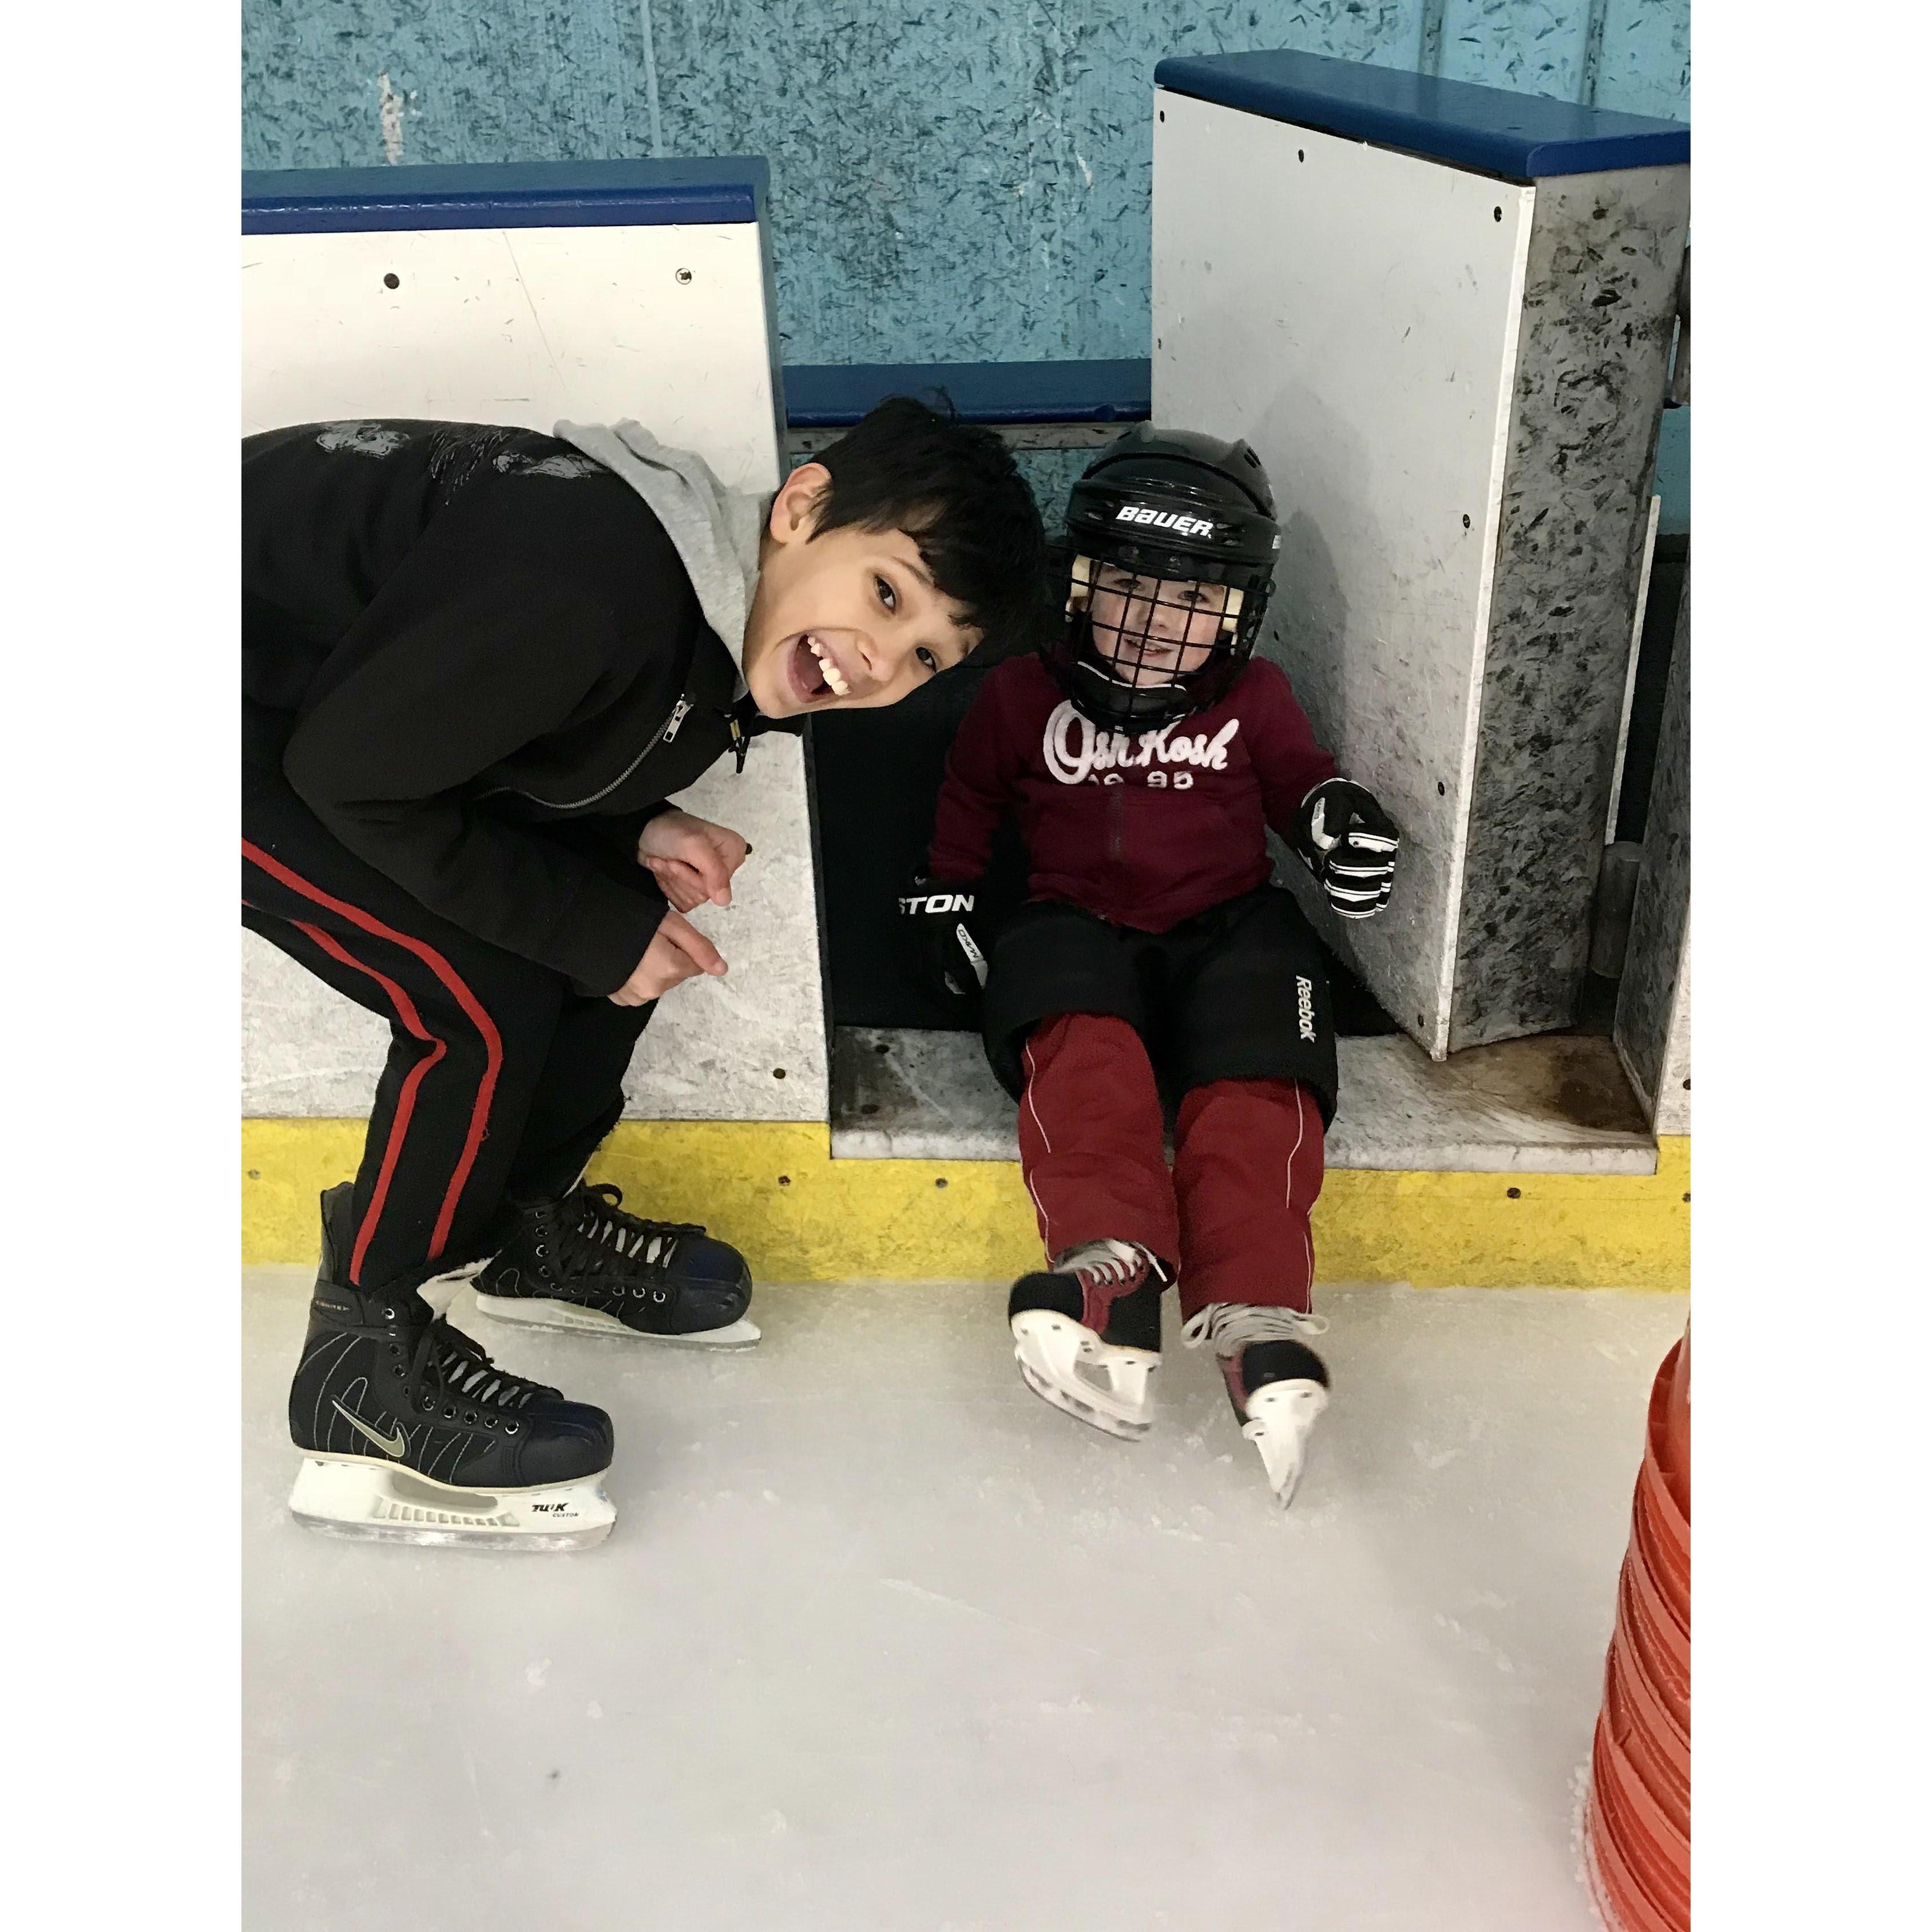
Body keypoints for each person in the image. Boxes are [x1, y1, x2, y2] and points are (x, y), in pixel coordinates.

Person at [245, 400, 1047, 1549]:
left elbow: (468, 731)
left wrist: (633, 839)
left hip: (308, 728)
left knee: (611, 925)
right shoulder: (589, 578)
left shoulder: (702, 630)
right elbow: (353, 772)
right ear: (802, 509)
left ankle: (509, 1226)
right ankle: (358, 1367)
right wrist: (582, 924)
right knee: (476, 1000)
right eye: (885, 592)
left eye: (926, 654)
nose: (883, 658)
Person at [899, 427, 1399, 1508]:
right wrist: (943, 893)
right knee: (1081, 1050)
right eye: (1126, 584)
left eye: (1189, 599)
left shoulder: (1254, 696)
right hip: (1070, 919)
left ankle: (1258, 1308)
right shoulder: (1014, 698)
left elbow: (1298, 781)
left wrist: (1327, 817)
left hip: (1230, 923)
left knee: (1260, 1078)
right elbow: (971, 801)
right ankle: (1109, 1266)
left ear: (1236, 612)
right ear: (1074, 582)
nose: (1151, 624)